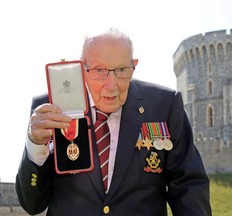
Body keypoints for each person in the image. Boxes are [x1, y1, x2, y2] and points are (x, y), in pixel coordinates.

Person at [15, 28, 212, 216]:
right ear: (82, 69)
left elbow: (188, 186)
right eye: (99, 70)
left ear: (133, 66)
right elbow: (32, 205)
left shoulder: (164, 105)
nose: (111, 85)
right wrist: (35, 145)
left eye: (121, 70)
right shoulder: (50, 108)